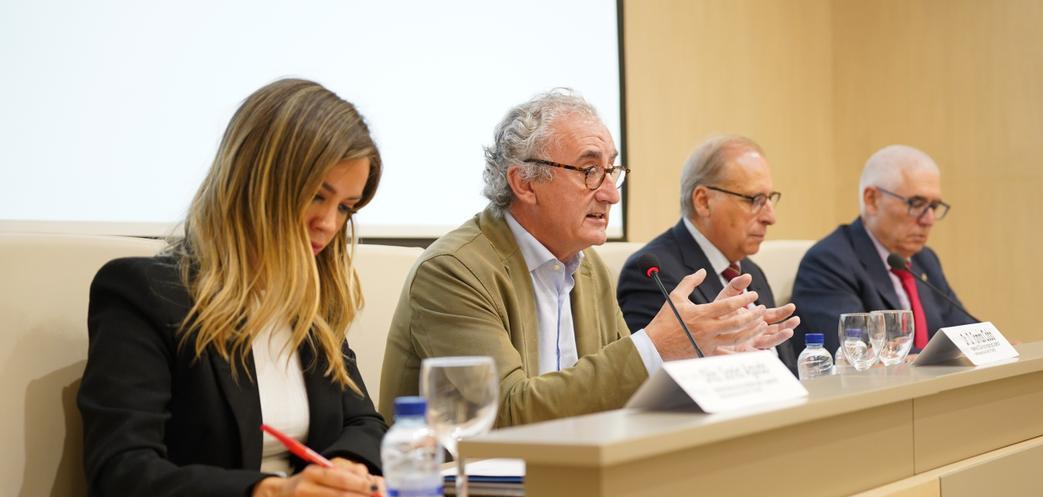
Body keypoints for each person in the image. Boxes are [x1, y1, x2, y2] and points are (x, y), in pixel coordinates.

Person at [380, 90, 797, 428]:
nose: (611, 193)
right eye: (589, 171)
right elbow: (504, 415)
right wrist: (656, 345)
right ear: (524, 182)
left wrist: (717, 356)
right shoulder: (455, 271)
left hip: (572, 475)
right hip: (463, 495)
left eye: (612, 171)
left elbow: (625, 396)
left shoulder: (589, 268)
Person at [78, 79, 387, 497]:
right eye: (318, 196)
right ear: (259, 183)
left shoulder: (309, 303)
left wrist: (346, 466)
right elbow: (120, 477)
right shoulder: (145, 294)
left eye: (346, 208)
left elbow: (365, 423)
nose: (327, 224)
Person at [617, 135, 796, 373]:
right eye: (755, 200)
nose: (770, 217)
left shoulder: (752, 272)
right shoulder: (653, 273)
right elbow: (663, 382)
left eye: (770, 199)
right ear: (703, 201)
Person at [790, 145, 973, 353]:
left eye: (933, 206)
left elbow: (963, 329)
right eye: (916, 203)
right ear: (872, 200)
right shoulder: (828, 262)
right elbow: (859, 353)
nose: (929, 219)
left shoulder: (924, 259)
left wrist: (989, 345)